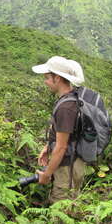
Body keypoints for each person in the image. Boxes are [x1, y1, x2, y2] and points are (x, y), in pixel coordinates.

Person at [32, 56, 86, 203]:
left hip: (68, 167)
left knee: (63, 207)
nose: (45, 81)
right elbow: (65, 134)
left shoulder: (66, 107)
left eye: (47, 77)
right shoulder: (70, 97)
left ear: (57, 78)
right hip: (71, 162)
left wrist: (46, 175)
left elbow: (62, 146)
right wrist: (47, 147)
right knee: (68, 204)